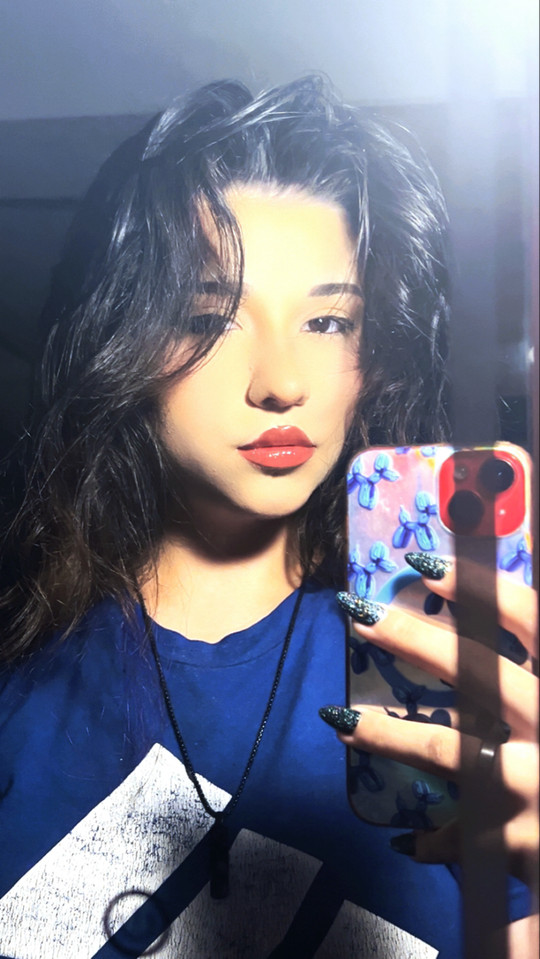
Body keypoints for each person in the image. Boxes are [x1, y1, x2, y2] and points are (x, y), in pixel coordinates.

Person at [0, 76, 536, 958]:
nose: (282, 382)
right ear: (122, 341)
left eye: (328, 321)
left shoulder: (436, 669)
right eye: (211, 317)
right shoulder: (23, 688)